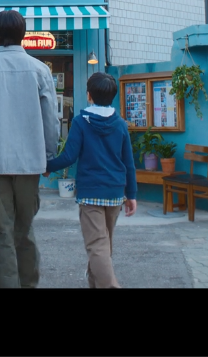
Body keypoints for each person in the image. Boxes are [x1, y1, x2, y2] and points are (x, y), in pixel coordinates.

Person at [0, 10, 60, 288]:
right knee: (24, 230)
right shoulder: (40, 70)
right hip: (30, 165)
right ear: (23, 35)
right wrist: (49, 157)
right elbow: (51, 120)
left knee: (1, 233)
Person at [45, 72, 138, 288]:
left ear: (89, 95)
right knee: (104, 245)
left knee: (97, 246)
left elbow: (69, 157)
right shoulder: (120, 124)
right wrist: (131, 195)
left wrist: (47, 166)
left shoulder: (80, 122)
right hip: (115, 192)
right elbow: (129, 163)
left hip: (91, 193)